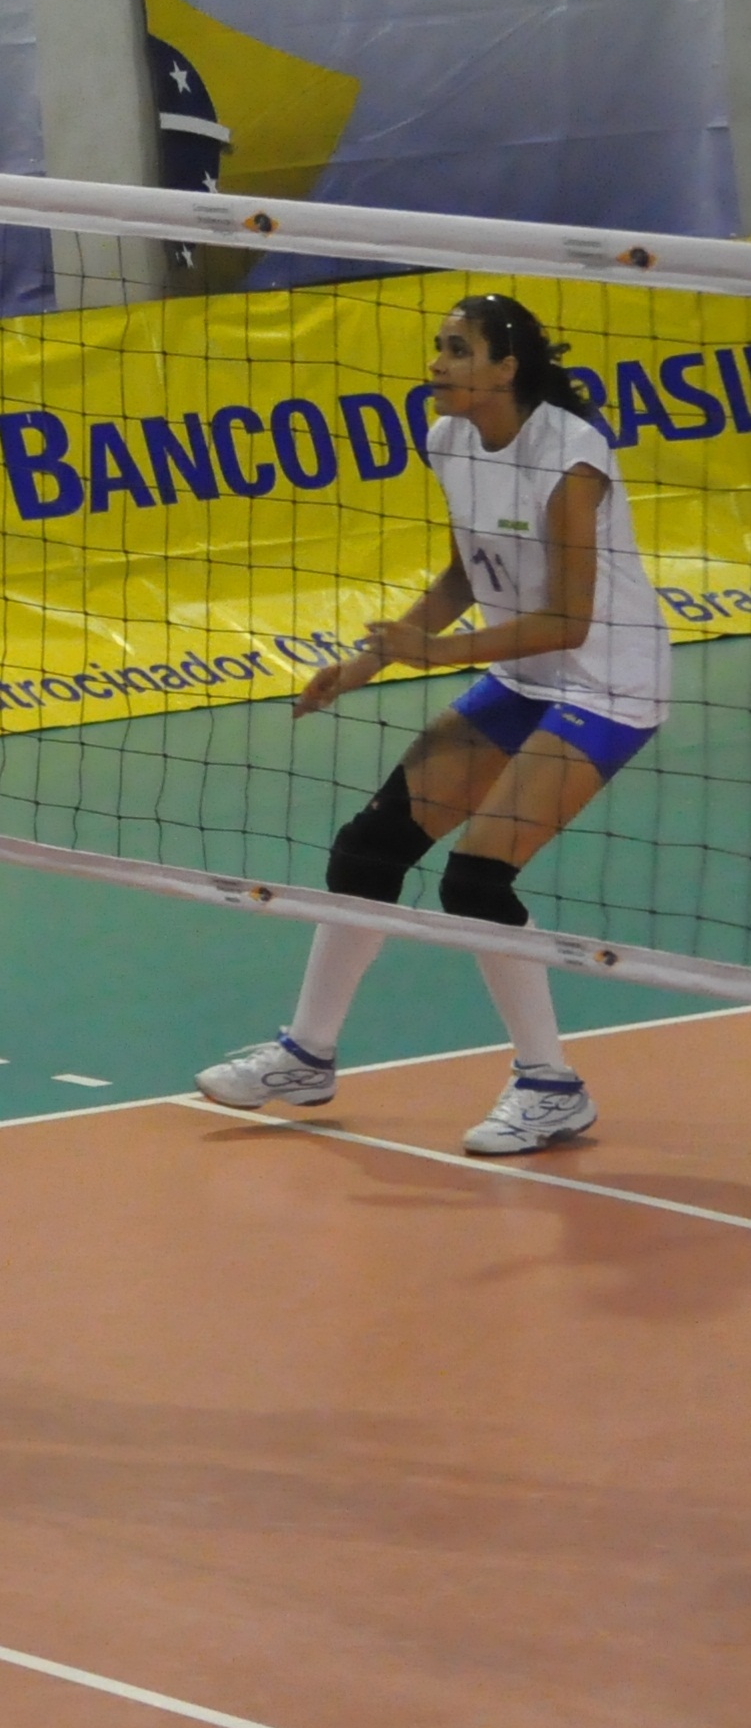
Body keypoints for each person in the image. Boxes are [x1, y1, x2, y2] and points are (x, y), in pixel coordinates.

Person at [199, 292, 672, 1154]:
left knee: (475, 882)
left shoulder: (570, 457)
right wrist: (365, 665)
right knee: (369, 848)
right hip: (523, 674)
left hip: (605, 681)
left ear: (505, 367)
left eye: (457, 350)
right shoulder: (450, 437)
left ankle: (550, 1085)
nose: (436, 364)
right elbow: (466, 572)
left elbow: (569, 621)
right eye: (437, 347)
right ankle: (306, 1054)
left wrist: (435, 657)